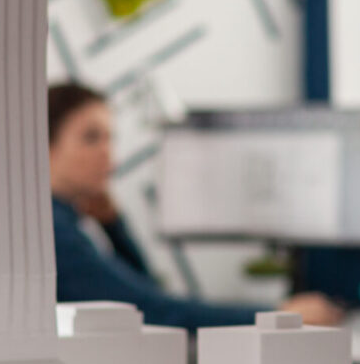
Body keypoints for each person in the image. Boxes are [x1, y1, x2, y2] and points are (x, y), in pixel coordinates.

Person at [48, 83, 340, 330]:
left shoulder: (61, 219)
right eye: (91, 138)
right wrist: (279, 317)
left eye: (111, 138)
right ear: (44, 146)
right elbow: (150, 311)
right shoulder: (53, 231)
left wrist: (114, 225)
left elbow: (143, 292)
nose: (108, 154)